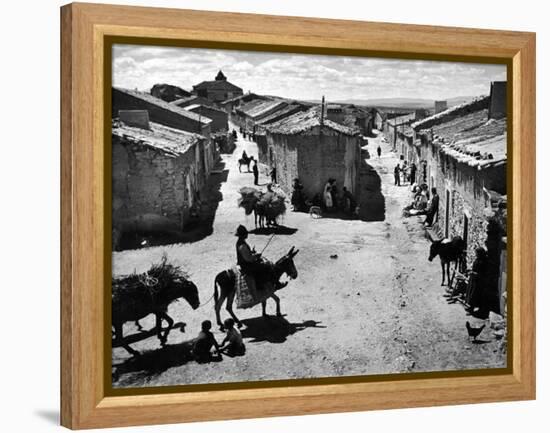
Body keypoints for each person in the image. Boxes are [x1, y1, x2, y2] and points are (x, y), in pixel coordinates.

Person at [235, 225, 274, 292]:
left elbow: (246, 254)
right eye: (245, 234)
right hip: (246, 266)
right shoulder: (242, 245)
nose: (247, 234)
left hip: (243, 263)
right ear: (243, 235)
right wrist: (256, 256)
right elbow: (248, 259)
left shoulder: (240, 242)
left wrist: (251, 252)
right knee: (263, 267)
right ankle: (260, 287)